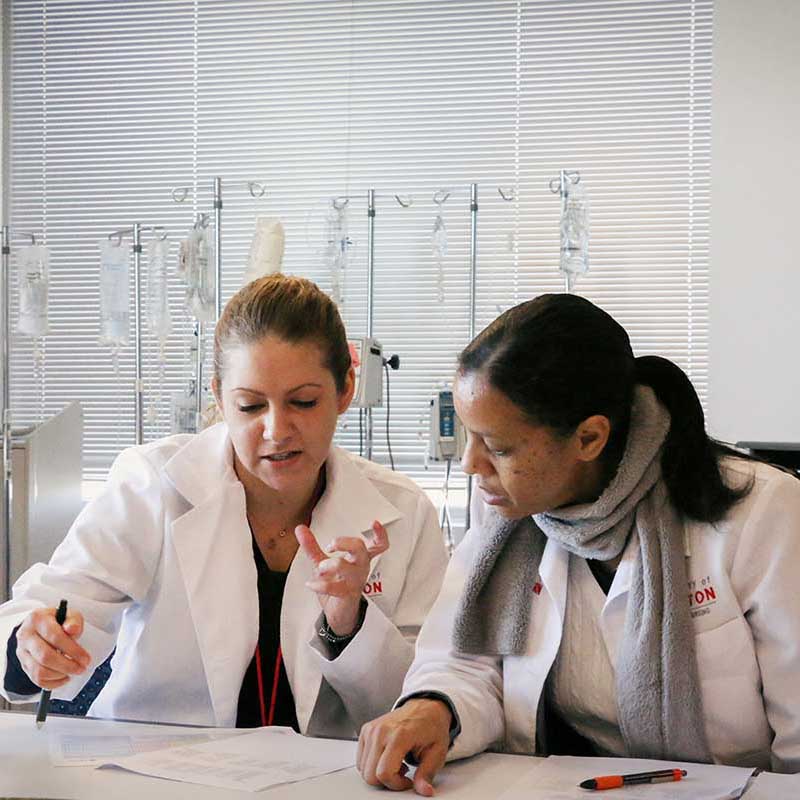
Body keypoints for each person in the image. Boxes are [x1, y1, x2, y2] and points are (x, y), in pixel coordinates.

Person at [357, 293, 800, 795]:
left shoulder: (762, 512)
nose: (471, 465)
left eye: (498, 447)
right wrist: (432, 707)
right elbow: (464, 657)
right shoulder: (509, 509)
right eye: (469, 437)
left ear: (589, 439)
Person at [0, 274, 448, 736]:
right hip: (159, 768)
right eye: (251, 406)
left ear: (345, 391)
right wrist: (32, 648)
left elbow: (421, 696)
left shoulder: (405, 513)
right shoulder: (153, 485)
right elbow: (45, 610)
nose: (277, 429)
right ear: (219, 397)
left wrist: (349, 624)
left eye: (303, 402)